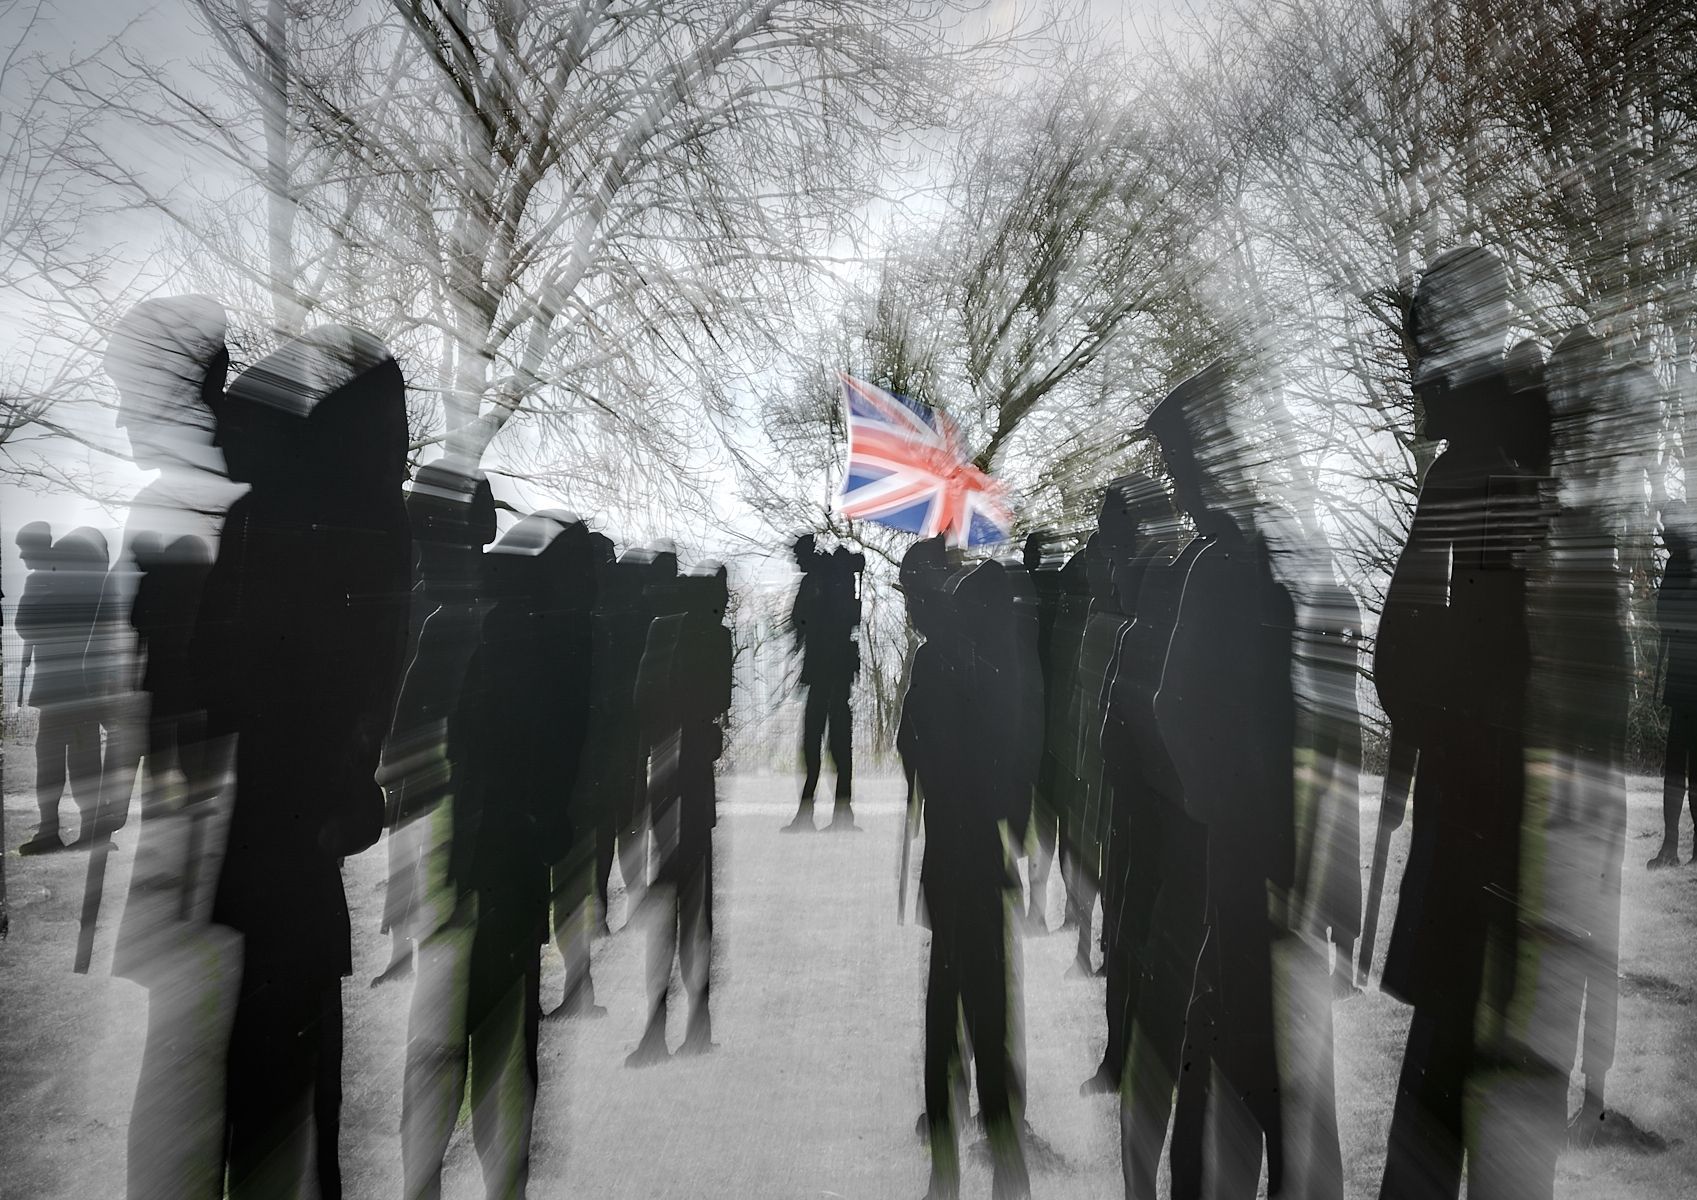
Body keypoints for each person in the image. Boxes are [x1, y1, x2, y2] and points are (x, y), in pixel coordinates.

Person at [195, 324, 412, 1199]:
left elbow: (221, 670)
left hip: (281, 810)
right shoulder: (360, 518)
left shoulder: (278, 522)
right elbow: (374, 668)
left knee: (272, 1056)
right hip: (306, 813)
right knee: (298, 1044)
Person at [1372, 247, 1547, 1200]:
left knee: (1451, 1074)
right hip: (1488, 805)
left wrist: (1419, 707)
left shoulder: (1475, 474)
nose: (1413, 369)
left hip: (1477, 808)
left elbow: (1430, 652)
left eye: (1421, 343)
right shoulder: (1498, 462)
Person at [900, 544, 1034, 1200]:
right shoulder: (997, 659)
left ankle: (951, 1160)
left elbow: (912, 750)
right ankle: (999, 1151)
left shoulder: (936, 659)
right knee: (983, 1002)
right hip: (983, 850)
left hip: (952, 852)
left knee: (949, 1003)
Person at [373, 464, 499, 989]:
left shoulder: (432, 595)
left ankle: (413, 943)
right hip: (435, 747)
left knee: (423, 844)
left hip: (434, 745)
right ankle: (409, 941)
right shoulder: (451, 590)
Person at [627, 564, 734, 1065]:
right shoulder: (713, 638)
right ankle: (695, 1017)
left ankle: (659, 1023)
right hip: (690, 776)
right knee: (694, 905)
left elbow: (641, 703)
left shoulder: (660, 632)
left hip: (665, 777)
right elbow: (717, 701)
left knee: (671, 903)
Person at [17, 525, 108, 854]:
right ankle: (91, 829)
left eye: (25, 549)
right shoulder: (92, 581)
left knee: (52, 760)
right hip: (83, 687)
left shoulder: (42, 581)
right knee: (83, 759)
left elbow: (24, 625)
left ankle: (50, 831)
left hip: (59, 690)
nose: (23, 557)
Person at [784, 535, 866, 831]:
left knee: (814, 744)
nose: (796, 562)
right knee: (837, 744)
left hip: (822, 672)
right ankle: (842, 813)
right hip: (838, 672)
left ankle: (809, 813)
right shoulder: (839, 578)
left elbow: (798, 620)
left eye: (797, 557)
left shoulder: (814, 581)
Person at [1653, 498, 1697, 867]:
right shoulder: (1678, 563)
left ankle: (1677, 847)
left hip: (1688, 676)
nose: (1664, 532)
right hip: (1682, 676)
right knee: (1679, 762)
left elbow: (1666, 614)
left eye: (1668, 524)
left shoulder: (1684, 562)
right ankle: (1671, 845)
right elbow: (1664, 615)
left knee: (1683, 761)